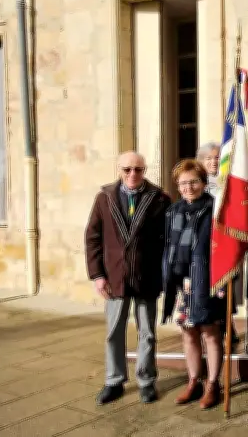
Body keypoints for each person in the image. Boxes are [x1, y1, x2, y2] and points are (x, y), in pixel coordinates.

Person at [84, 151, 171, 405]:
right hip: (114, 277)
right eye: (127, 169)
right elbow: (93, 238)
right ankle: (114, 380)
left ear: (145, 170)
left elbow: (167, 240)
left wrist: (165, 274)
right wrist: (98, 274)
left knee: (147, 332)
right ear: (119, 169)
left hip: (147, 277)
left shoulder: (159, 199)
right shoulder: (104, 198)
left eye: (138, 169)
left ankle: (146, 380)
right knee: (114, 332)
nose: (133, 174)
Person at [161, 159, 223, 409]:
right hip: (182, 283)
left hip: (207, 280)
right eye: (183, 183)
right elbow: (169, 246)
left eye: (194, 182)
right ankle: (193, 381)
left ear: (203, 183)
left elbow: (223, 247)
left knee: (210, 333)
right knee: (188, 333)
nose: (189, 187)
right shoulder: (173, 211)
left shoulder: (215, 208)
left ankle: (212, 384)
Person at [196, 142, 240, 346]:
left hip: (225, 242)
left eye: (216, 158)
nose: (213, 162)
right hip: (204, 245)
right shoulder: (198, 184)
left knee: (225, 287)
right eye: (209, 158)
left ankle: (227, 327)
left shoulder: (228, 182)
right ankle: (211, 327)